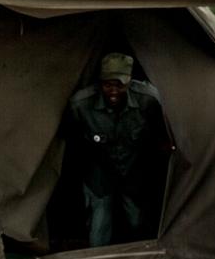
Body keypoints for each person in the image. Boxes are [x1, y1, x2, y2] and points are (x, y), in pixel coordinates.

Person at [64, 53, 167, 248]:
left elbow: (160, 136)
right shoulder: (81, 104)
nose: (113, 91)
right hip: (99, 173)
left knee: (138, 224)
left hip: (133, 170)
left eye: (119, 85)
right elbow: (71, 141)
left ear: (129, 82)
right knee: (98, 232)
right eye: (107, 85)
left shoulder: (148, 99)